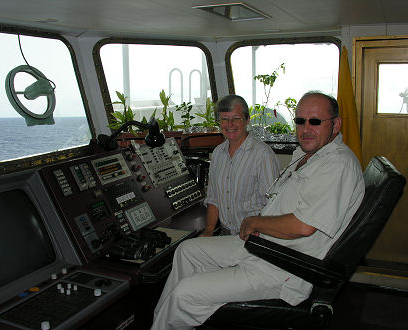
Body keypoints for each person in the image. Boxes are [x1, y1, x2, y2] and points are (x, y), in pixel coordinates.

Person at [150, 91, 365, 330]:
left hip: (284, 265)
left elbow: (303, 226)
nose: (305, 129)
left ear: (336, 124)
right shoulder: (307, 156)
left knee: (185, 293)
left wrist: (254, 222)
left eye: (315, 121)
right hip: (264, 245)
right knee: (187, 250)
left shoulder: (337, 164)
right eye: (300, 121)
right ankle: (162, 321)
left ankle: (172, 316)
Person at [201, 94, 279, 236]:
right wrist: (209, 230)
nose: (230, 125)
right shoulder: (218, 153)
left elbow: (272, 203)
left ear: (247, 120)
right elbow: (213, 198)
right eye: (224, 119)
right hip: (225, 234)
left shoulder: (263, 155)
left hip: (253, 235)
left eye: (236, 118)